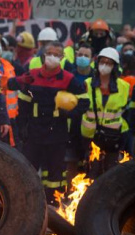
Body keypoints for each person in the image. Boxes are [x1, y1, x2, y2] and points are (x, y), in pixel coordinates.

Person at [8, 41, 89, 205]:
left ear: (62, 57)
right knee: (27, 169)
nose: (52, 57)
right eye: (50, 53)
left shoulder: (68, 78)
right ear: (44, 55)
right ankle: (26, 202)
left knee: (55, 174)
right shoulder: (33, 75)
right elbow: (23, 101)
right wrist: (22, 126)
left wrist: (70, 114)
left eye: (57, 54)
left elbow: (84, 100)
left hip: (57, 131)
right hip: (34, 130)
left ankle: (54, 204)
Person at [81, 47, 131, 178]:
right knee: (91, 175)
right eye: (102, 62)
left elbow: (127, 112)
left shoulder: (124, 87)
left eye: (108, 63)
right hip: (91, 137)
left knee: (111, 176)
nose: (104, 66)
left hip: (114, 138)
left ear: (114, 66)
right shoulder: (88, 84)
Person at [67, 43, 95, 182]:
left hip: (91, 127)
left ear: (92, 59)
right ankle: (68, 194)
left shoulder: (96, 78)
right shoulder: (69, 76)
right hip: (72, 124)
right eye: (80, 55)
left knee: (90, 162)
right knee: (71, 160)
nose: (83, 58)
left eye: (86, 55)